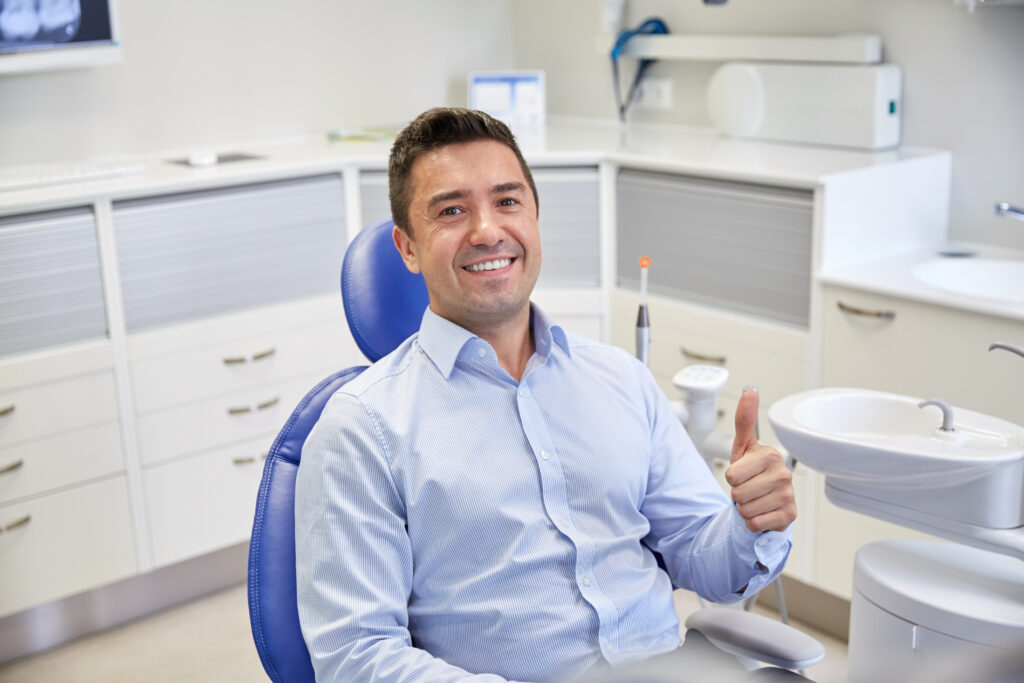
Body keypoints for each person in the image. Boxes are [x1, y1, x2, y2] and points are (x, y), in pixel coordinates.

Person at [294, 107, 796, 683]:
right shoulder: (362, 427)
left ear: (534, 218)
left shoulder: (620, 378)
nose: (487, 230)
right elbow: (355, 657)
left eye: (507, 201)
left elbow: (699, 554)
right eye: (452, 210)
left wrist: (750, 525)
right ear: (407, 248)